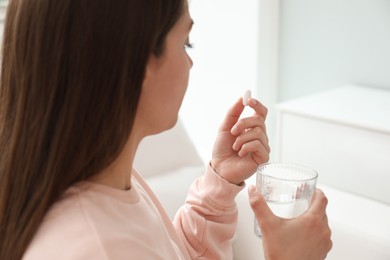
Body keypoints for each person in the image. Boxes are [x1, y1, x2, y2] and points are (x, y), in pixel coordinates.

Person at [0, 0, 332, 259]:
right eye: (186, 43)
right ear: (141, 62)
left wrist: (220, 184)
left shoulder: (105, 180)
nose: (191, 63)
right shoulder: (96, 248)